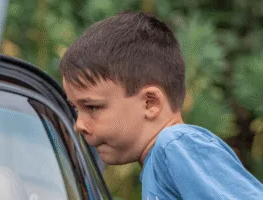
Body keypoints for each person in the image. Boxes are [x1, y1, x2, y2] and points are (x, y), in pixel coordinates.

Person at [59, 11, 263, 199]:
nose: (79, 125)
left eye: (92, 107)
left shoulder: (174, 146)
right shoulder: (159, 162)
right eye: (76, 109)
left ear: (150, 103)